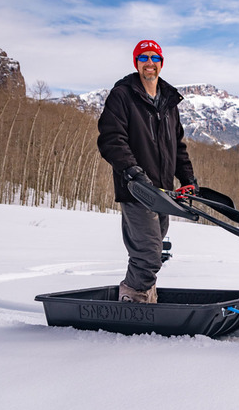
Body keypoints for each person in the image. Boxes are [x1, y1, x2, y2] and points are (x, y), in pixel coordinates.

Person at [97, 39, 198, 303]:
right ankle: (132, 299)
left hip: (162, 192)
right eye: (144, 58)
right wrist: (131, 171)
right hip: (137, 190)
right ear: (136, 63)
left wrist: (187, 177)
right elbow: (111, 138)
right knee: (149, 253)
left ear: (161, 63)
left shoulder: (168, 101)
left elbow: (177, 145)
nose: (149, 63)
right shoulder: (122, 96)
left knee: (151, 250)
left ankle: (145, 296)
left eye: (154, 58)